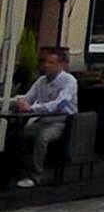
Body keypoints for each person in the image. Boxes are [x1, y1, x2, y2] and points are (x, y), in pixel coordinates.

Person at [10, 49, 77, 188]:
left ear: (61, 65)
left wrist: (32, 108)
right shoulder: (41, 81)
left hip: (62, 121)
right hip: (42, 120)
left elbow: (60, 103)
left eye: (51, 62)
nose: (46, 65)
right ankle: (19, 171)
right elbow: (28, 98)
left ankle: (36, 176)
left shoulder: (69, 81)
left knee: (43, 137)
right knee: (17, 135)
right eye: (45, 62)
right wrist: (20, 102)